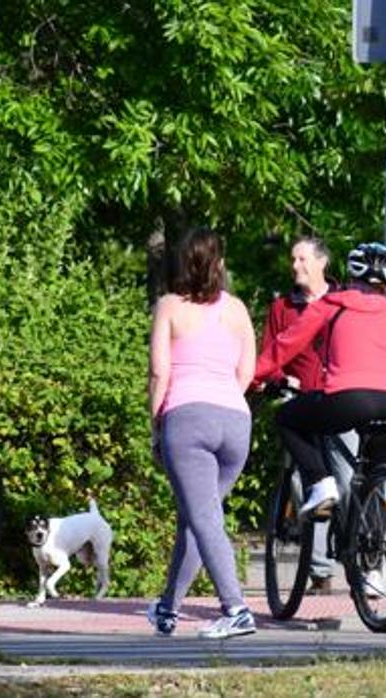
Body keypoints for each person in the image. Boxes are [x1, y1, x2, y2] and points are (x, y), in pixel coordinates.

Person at [254, 241, 386, 520]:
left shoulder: (331, 304)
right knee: (370, 480)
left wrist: (250, 377)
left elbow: (285, 345)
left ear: (348, 279)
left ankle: (320, 484)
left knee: (286, 418)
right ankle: (369, 548)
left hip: (347, 399)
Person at [146, 227, 258, 639]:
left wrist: (156, 422)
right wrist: (223, 397)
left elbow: (160, 371)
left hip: (188, 418)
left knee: (205, 517)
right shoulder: (238, 309)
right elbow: (246, 370)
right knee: (196, 520)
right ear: (219, 265)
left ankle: (236, 608)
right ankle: (167, 609)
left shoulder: (169, 306)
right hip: (235, 420)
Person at [257, 236, 340, 594]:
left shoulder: (342, 302)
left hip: (340, 398)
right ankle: (320, 569)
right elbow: (271, 351)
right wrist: (275, 379)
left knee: (348, 476)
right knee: (310, 484)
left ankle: (364, 557)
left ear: (322, 262)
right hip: (301, 398)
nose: (295, 266)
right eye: (293, 260)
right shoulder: (282, 307)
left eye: (302, 259)